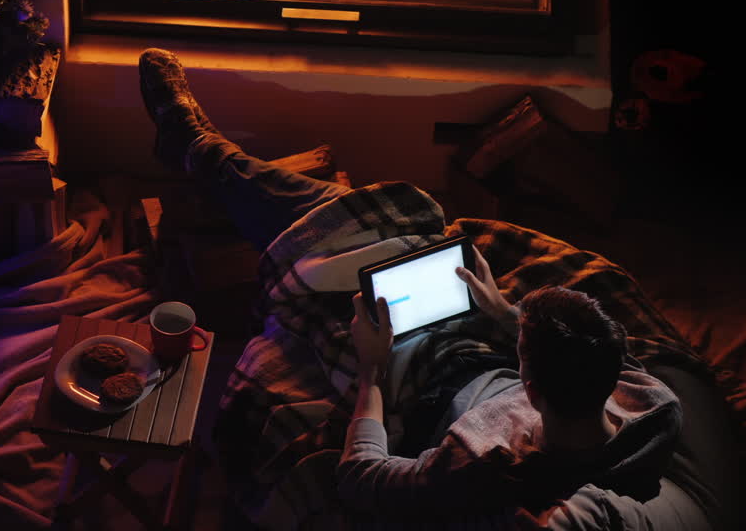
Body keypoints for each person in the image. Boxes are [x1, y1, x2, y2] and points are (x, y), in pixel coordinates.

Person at [136, 47, 682, 521]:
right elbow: (619, 357)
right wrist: (500, 315)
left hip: (404, 374)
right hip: (471, 334)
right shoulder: (654, 405)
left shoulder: (485, 463)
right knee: (399, 233)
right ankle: (209, 156)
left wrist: (372, 366)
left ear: (533, 390)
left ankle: (199, 147)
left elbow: (360, 478)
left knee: (333, 250)